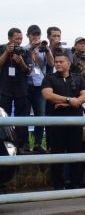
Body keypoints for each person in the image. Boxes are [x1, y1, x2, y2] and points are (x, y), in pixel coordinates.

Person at [40, 50, 85, 189]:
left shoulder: (78, 78)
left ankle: (76, 184)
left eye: (61, 62)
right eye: (56, 62)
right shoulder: (49, 78)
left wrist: (69, 102)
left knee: (76, 154)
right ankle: (58, 186)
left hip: (75, 124)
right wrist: (69, 100)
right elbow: (47, 95)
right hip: (55, 125)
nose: (58, 64)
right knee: (57, 155)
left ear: (69, 63)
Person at [0, 28, 32, 151]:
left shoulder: (25, 51)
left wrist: (21, 62)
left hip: (21, 88)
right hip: (5, 88)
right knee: (4, 117)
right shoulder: (2, 48)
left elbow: (28, 71)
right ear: (9, 39)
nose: (19, 41)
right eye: (16, 39)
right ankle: (4, 144)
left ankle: (22, 144)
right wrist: (6, 53)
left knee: (22, 117)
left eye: (20, 39)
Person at [25, 25, 51, 153]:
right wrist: (31, 49)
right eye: (33, 35)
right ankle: (24, 144)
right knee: (23, 115)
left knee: (40, 114)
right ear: (28, 36)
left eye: (38, 35)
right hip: (26, 85)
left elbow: (51, 63)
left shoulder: (44, 49)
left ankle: (37, 144)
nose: (36, 37)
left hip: (40, 86)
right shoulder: (24, 49)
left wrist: (46, 50)